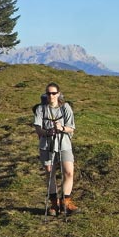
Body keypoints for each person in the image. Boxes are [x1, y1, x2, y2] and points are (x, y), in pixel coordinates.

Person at [33, 82, 80, 216]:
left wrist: (62, 128)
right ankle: (54, 203)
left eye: (54, 93)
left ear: (58, 94)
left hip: (64, 143)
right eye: (49, 93)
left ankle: (66, 201)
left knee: (69, 172)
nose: (51, 96)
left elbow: (72, 128)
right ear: (45, 94)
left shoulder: (66, 108)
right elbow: (37, 128)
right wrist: (47, 132)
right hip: (47, 145)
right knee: (50, 174)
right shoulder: (40, 109)